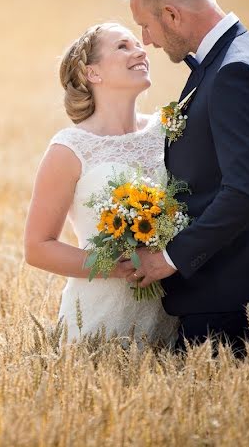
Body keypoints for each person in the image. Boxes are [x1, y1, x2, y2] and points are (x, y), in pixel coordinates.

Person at [115, 0, 249, 357]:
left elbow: (247, 191)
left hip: (230, 291)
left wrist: (169, 258)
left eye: (146, 25)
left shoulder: (235, 72)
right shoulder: (224, 60)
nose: (146, 39)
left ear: (172, 15)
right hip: (219, 287)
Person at [23, 22, 178, 346]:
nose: (140, 51)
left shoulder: (168, 129)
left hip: (174, 312)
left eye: (139, 44)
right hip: (101, 318)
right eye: (123, 46)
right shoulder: (69, 149)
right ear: (93, 73)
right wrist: (118, 267)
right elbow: (37, 248)